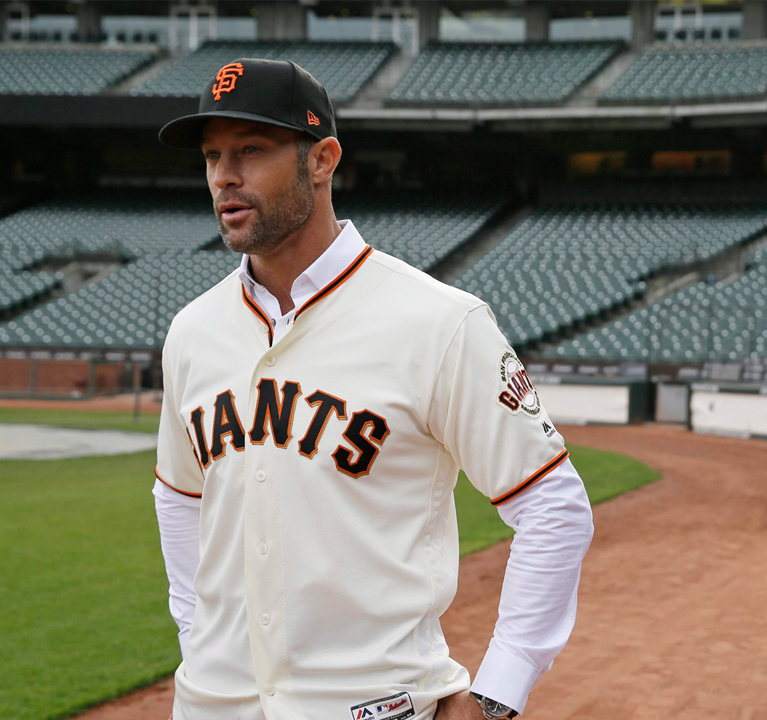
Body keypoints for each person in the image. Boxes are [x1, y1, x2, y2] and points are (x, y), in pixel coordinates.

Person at [151, 58, 594, 720]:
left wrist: (501, 687)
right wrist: (202, 641)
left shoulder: (440, 321)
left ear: (322, 159)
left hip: (374, 706)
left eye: (251, 150)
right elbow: (178, 499)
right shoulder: (194, 332)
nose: (224, 175)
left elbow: (552, 505)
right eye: (212, 155)